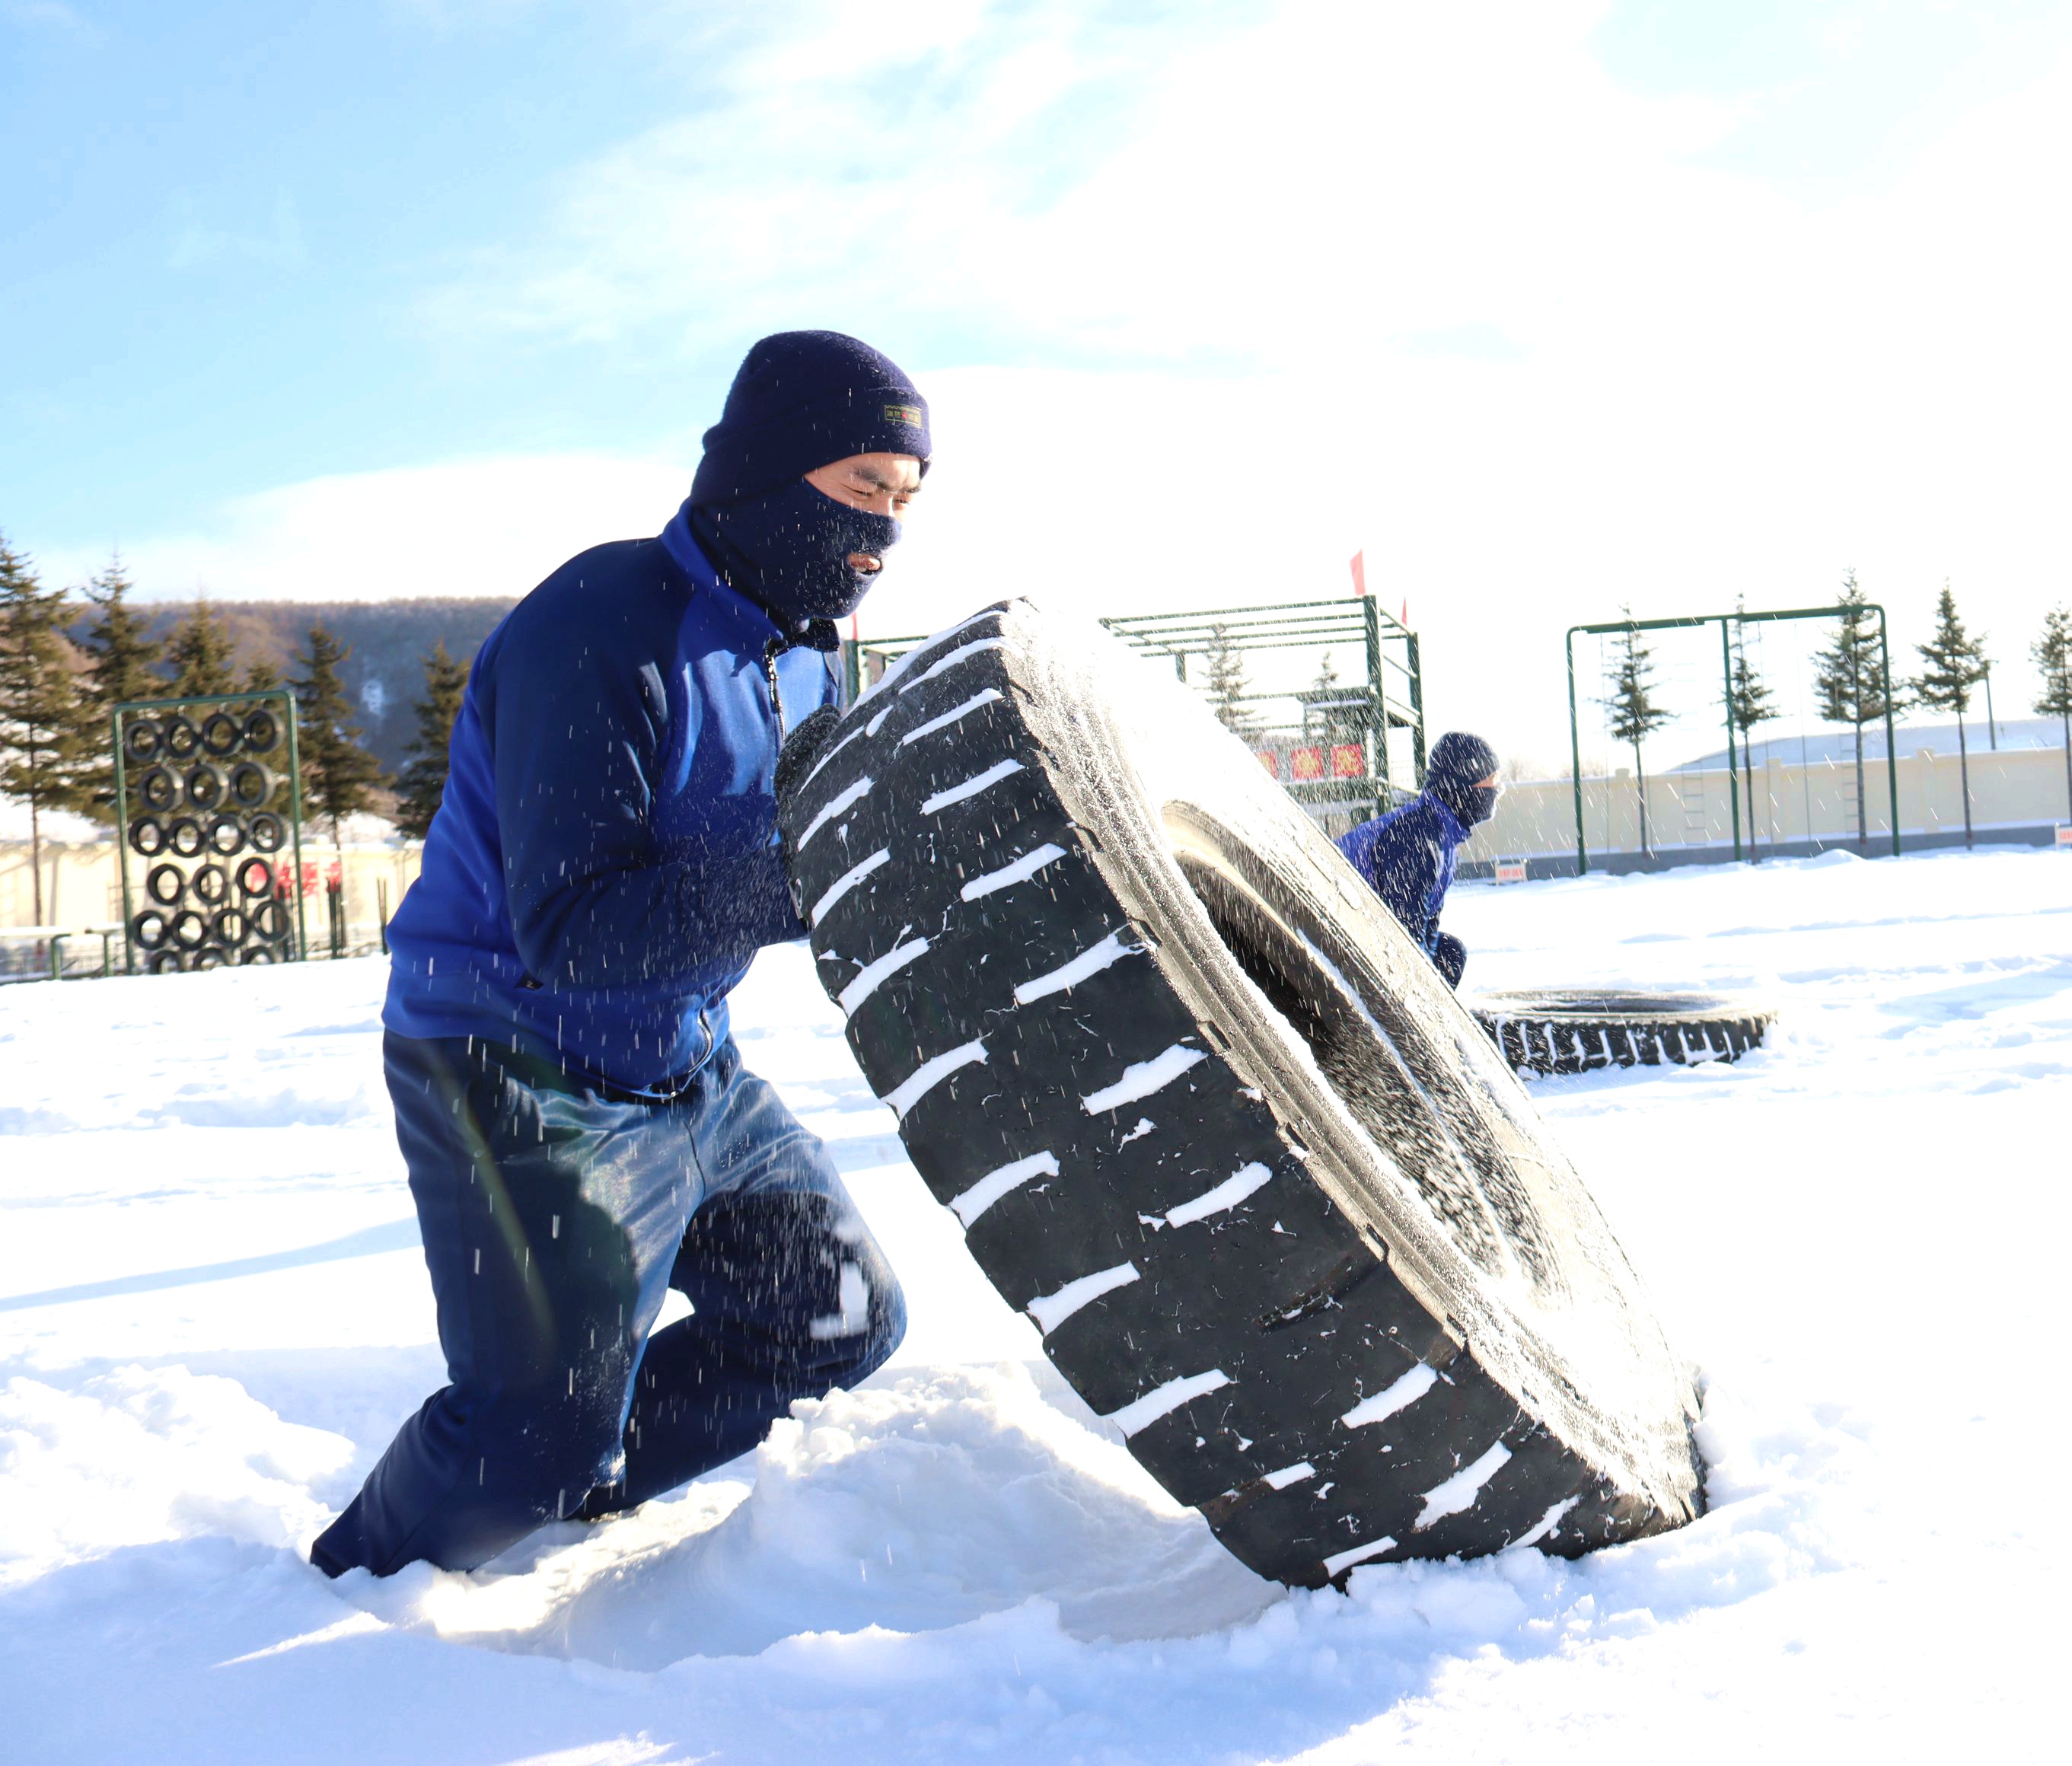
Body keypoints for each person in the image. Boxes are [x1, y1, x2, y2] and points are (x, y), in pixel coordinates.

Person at [311, 331, 924, 1579]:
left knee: (835, 1319)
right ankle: (362, 1582)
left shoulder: (807, 655)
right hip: (509, 1054)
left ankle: (564, 1491)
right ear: (770, 468)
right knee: (523, 1430)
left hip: (686, 1056)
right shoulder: (600, 624)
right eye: (865, 487)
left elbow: (809, 868)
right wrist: (804, 877)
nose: (885, 531)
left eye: (907, 501)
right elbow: (572, 931)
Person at [1336, 731, 1500, 990]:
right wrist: (1420, 994)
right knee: (1441, 959)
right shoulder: (1418, 838)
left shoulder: (1443, 839)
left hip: (1363, 932)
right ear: (1462, 785)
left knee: (1450, 954)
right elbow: (1405, 939)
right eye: (1490, 782)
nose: (1496, 790)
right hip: (1332, 936)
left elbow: (1427, 929)